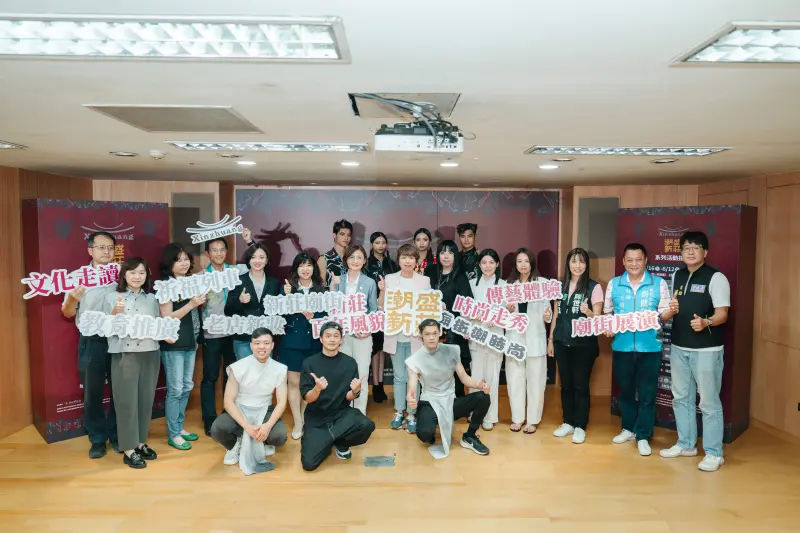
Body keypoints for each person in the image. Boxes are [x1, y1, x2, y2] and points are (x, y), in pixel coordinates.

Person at [659, 231, 730, 472]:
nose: (690, 252)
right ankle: (686, 444)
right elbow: (674, 307)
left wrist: (706, 322)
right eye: (686, 248)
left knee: (708, 402)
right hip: (679, 347)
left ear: (705, 252)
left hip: (707, 350)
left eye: (695, 247)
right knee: (681, 398)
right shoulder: (677, 275)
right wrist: (672, 308)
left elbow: (722, 314)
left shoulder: (716, 277)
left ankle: (714, 453)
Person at [604, 243, 672, 456]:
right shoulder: (614, 284)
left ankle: (643, 435)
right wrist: (608, 327)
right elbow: (607, 313)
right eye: (630, 260)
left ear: (646, 261)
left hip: (650, 348)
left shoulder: (658, 283)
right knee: (625, 391)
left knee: (647, 394)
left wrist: (671, 312)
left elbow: (664, 315)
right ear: (624, 261)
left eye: (638, 259)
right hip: (622, 347)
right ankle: (628, 428)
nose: (634, 264)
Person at [61, 231, 119, 458]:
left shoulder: (121, 274)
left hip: (117, 338)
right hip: (92, 340)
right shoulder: (77, 277)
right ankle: (97, 438)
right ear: (90, 250)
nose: (107, 252)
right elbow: (67, 313)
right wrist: (72, 299)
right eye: (101, 247)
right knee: (92, 392)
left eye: (110, 248)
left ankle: (117, 435)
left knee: (119, 390)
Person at [104, 257, 162, 469]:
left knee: (145, 401)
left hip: (150, 353)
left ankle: (139, 443)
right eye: (132, 272)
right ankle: (128, 449)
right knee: (126, 402)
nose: (137, 277)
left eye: (142, 272)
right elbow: (104, 327)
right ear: (124, 275)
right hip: (125, 354)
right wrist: (114, 314)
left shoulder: (152, 299)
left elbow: (159, 325)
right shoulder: (112, 297)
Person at [407, 319, 491, 458]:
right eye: (427, 334)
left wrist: (478, 385)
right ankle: (431, 428)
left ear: (440, 333)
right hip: (430, 402)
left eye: (434, 333)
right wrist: (410, 397)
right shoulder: (415, 359)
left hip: (450, 401)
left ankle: (469, 436)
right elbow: (412, 386)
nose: (431, 337)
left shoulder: (451, 351)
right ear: (421, 335)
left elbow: (463, 377)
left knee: (483, 397)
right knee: (425, 434)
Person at [210, 328, 289, 475]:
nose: (262, 347)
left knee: (279, 437)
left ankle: (264, 440)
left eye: (266, 343)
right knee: (217, 429)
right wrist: (246, 426)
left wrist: (267, 426)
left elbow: (282, 402)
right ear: (251, 345)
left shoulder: (280, 369)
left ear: (272, 345)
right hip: (240, 408)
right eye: (257, 343)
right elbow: (228, 402)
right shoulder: (238, 367)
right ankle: (234, 445)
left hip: (265, 409)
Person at [299, 322, 376, 471]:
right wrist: (317, 389)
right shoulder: (309, 363)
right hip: (317, 417)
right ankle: (325, 440)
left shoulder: (350, 363)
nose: (332, 339)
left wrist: (355, 391)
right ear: (321, 339)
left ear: (341, 340)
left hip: (341, 415)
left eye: (336, 336)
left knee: (366, 425)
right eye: (328, 336)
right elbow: (308, 398)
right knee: (309, 464)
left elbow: (348, 397)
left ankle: (340, 443)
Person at [548, 248, 604, 444]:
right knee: (566, 385)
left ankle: (580, 425)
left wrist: (589, 313)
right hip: (562, 342)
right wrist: (551, 340)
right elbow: (556, 314)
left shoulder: (594, 287)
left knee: (581, 385)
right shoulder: (560, 286)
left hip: (584, 345)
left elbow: (598, 320)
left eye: (581, 261)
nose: (577, 265)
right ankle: (568, 422)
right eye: (574, 261)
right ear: (568, 264)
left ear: (586, 265)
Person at [378, 243, 432, 432]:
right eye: (404, 257)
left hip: (415, 337)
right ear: (399, 260)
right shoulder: (390, 279)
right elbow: (381, 307)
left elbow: (428, 308)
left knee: (413, 376)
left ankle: (411, 413)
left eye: (411, 257)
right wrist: (382, 290)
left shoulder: (424, 281)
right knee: (399, 377)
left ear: (416, 260)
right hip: (396, 335)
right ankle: (399, 411)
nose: (408, 261)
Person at [157, 243, 204, 451]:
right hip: (174, 343)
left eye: (186, 259)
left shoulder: (191, 282)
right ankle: (173, 434)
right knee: (175, 389)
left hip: (191, 340)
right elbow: (167, 317)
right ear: (170, 263)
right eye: (178, 260)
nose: (184, 263)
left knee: (186, 386)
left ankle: (179, 426)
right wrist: (191, 304)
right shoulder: (165, 286)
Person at [200, 237, 246, 436]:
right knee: (210, 377)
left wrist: (249, 240)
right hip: (212, 333)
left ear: (226, 252)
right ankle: (209, 419)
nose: (218, 253)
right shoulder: (201, 277)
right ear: (208, 254)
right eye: (214, 250)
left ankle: (229, 415)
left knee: (231, 376)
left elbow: (257, 261)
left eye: (221, 250)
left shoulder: (236, 272)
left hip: (233, 331)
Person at [279, 252, 327, 440]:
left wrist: (315, 316)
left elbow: (327, 316)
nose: (305, 269)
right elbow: (279, 315)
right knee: (293, 383)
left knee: (309, 383)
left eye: (309, 265)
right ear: (296, 269)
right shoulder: (287, 288)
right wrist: (286, 297)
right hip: (292, 342)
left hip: (313, 342)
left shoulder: (321, 289)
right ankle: (298, 421)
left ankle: (305, 417)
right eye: (301, 266)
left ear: (314, 268)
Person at [506, 248, 552, 434]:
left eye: (526, 261)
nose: (523, 265)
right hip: (514, 339)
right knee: (514, 379)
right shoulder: (509, 285)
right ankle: (517, 418)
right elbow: (503, 314)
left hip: (535, 338)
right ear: (515, 265)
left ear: (532, 263)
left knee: (536, 381)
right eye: (519, 261)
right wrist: (507, 310)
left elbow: (548, 311)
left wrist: (547, 315)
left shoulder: (542, 284)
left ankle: (532, 420)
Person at [469, 248, 513, 430]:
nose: (487, 266)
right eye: (484, 262)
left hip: (495, 335)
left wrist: (497, 317)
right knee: (476, 377)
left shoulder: (504, 285)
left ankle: (489, 416)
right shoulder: (472, 284)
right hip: (476, 335)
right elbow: (465, 309)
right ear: (479, 265)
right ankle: (474, 414)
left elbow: (510, 312)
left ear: (497, 264)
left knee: (492, 377)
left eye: (491, 262)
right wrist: (471, 320)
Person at [424, 240, 474, 397]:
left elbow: (467, 303)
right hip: (433, 329)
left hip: (454, 330)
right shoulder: (430, 272)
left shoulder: (460, 275)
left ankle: (456, 403)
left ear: (455, 256)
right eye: (442, 252)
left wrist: (465, 326)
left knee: (455, 369)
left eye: (450, 253)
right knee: (434, 371)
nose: (446, 256)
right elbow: (421, 296)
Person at [337, 245, 379, 416]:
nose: (355, 261)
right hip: (342, 336)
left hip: (363, 335)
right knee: (343, 373)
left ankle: (360, 413)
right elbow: (332, 308)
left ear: (364, 260)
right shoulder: (338, 280)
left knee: (361, 373)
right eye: (352, 257)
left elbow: (374, 310)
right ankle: (344, 412)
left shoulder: (369, 282)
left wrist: (368, 329)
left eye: (359, 257)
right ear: (346, 260)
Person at [225, 243, 279, 359]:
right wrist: (239, 301)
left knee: (265, 371)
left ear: (266, 260)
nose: (257, 261)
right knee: (245, 371)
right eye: (253, 257)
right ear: (248, 260)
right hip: (244, 339)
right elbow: (227, 310)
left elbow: (278, 310)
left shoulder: (274, 283)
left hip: (265, 340)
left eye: (261, 257)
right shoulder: (238, 281)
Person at [364, 231, 398, 404]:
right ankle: (375, 385)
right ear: (371, 244)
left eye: (383, 242)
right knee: (374, 348)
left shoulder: (392, 264)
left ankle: (381, 385)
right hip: (371, 311)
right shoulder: (366, 264)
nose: (381, 246)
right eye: (377, 242)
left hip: (389, 311)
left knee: (383, 349)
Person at [317, 219, 352, 290]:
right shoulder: (324, 259)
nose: (346, 238)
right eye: (342, 234)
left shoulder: (352, 259)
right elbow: (320, 288)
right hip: (330, 296)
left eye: (348, 235)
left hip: (350, 296)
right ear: (334, 235)